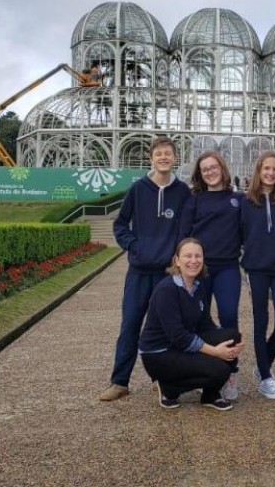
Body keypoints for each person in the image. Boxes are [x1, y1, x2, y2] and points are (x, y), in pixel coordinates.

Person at [99, 136, 191, 402]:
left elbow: (185, 229)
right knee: (130, 325)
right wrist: (134, 247)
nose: (163, 157)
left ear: (175, 159)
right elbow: (120, 225)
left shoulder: (182, 192)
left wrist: (177, 256)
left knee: (167, 328)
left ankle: (163, 379)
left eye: (168, 153)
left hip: (166, 274)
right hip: (139, 272)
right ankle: (120, 381)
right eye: (158, 153)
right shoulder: (138, 189)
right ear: (151, 158)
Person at [139, 238, 244, 411]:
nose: (194, 261)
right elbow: (179, 337)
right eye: (188, 256)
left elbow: (206, 325)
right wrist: (216, 351)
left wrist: (234, 342)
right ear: (177, 260)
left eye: (198, 256)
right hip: (160, 354)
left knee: (231, 336)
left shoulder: (197, 287)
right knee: (221, 370)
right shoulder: (167, 290)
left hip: (179, 345)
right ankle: (169, 387)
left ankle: (210, 395)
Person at [179, 151, 243, 400]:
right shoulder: (194, 201)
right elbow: (183, 236)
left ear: (222, 168)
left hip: (227, 268)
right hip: (200, 270)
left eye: (213, 167)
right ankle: (201, 369)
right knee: (197, 320)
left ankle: (230, 372)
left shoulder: (237, 199)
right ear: (199, 174)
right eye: (204, 169)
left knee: (228, 318)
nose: (209, 172)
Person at [240, 151, 275, 400]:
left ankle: (262, 367)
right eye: (266, 169)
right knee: (261, 323)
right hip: (257, 270)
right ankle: (266, 376)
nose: (271, 173)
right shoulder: (246, 202)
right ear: (258, 171)